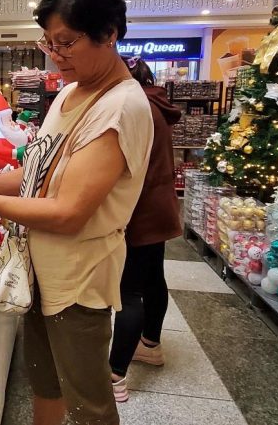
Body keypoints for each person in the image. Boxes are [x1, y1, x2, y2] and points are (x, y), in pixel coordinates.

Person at [0, 0, 153, 425]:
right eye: (49, 43)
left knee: (88, 401)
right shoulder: (70, 92)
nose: (56, 55)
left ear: (109, 34)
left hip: (77, 280)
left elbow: (68, 212)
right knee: (45, 383)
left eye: (67, 43)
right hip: (38, 271)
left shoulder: (120, 107)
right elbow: (36, 174)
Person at [108, 56, 182, 402]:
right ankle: (150, 344)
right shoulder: (157, 103)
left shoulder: (135, 108)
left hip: (138, 211)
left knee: (128, 292)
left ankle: (115, 376)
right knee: (153, 278)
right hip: (160, 208)